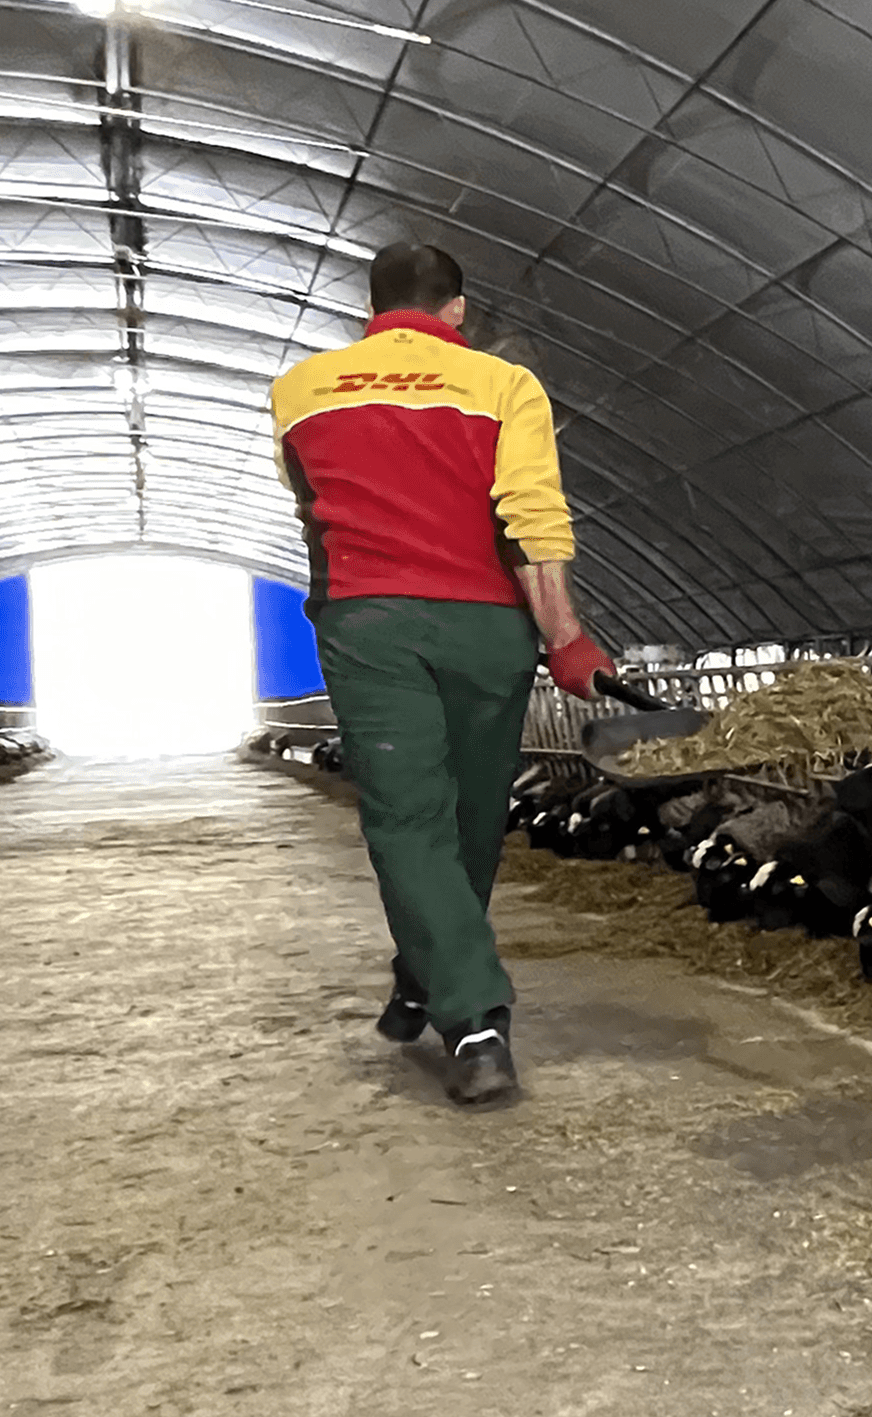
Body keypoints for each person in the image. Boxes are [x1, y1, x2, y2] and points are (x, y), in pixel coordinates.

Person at [271, 242, 618, 1106]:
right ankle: (475, 1018)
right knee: (467, 815)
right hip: (486, 627)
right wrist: (568, 640)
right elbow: (532, 520)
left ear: (370, 308)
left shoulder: (301, 390)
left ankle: (425, 976)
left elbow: (310, 503)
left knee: (412, 818)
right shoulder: (507, 388)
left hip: (370, 621)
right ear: (457, 310)